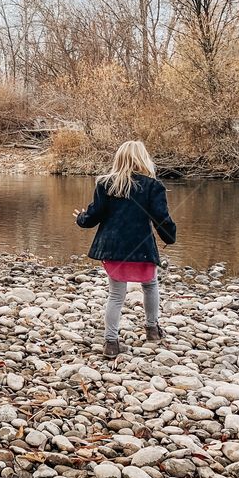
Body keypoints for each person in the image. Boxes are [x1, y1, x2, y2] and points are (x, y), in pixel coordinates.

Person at [74, 140, 177, 356]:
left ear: (119, 159)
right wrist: (169, 236)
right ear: (143, 159)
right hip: (141, 247)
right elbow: (161, 218)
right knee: (150, 285)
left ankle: (111, 342)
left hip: (112, 248)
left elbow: (94, 216)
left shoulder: (105, 184)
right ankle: (152, 330)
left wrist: (81, 218)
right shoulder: (153, 186)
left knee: (116, 295)